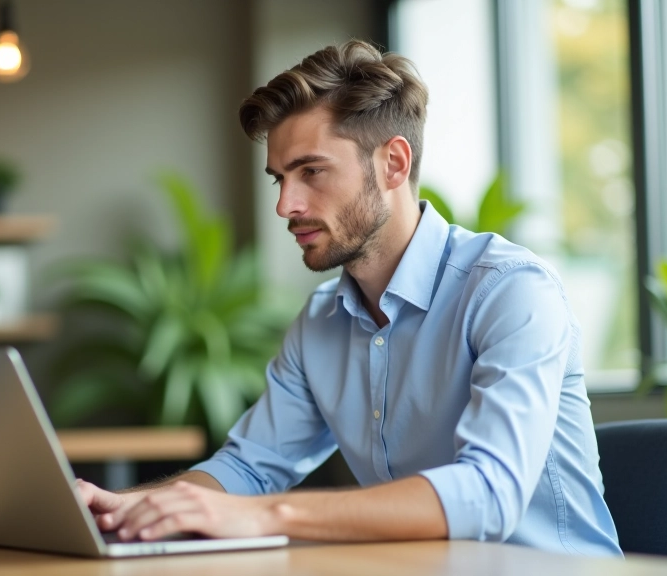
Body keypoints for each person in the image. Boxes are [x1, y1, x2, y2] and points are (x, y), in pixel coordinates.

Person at [77, 40, 622, 556]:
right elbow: (250, 470)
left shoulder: (511, 292)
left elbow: (489, 492)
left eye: (311, 171)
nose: (286, 204)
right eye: (280, 179)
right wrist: (123, 510)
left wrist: (270, 516)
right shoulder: (319, 324)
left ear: (394, 164)